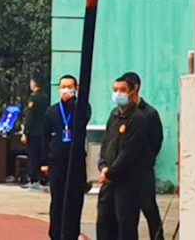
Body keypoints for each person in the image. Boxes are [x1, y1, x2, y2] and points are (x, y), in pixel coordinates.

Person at [96, 72, 164, 240]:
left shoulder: (146, 115)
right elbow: (106, 143)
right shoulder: (115, 114)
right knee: (105, 218)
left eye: (122, 90)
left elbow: (152, 143)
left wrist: (142, 162)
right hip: (112, 176)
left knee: (145, 211)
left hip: (137, 175)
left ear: (134, 90)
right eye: (115, 90)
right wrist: (104, 166)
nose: (118, 94)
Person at [39, 75, 89, 240]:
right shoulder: (52, 111)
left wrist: (72, 103)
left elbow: (83, 119)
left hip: (75, 161)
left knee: (75, 199)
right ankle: (56, 233)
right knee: (58, 199)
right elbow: (45, 136)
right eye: (63, 86)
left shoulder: (81, 108)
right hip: (57, 161)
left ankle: (72, 233)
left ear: (76, 89)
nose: (66, 90)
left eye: (69, 86)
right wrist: (44, 161)